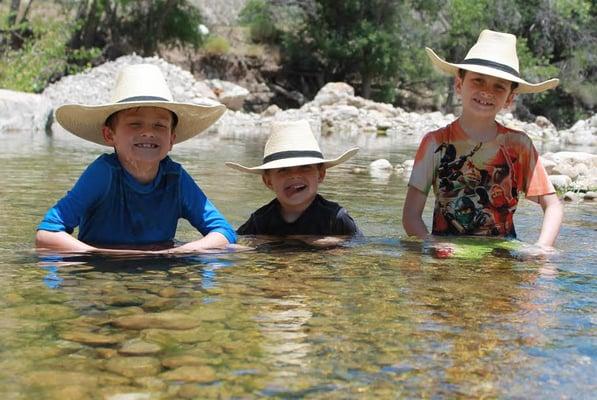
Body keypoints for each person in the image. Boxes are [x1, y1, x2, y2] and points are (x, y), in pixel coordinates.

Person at [36, 63, 236, 254]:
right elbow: (47, 234)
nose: (148, 133)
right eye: (135, 124)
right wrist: (100, 254)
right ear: (109, 135)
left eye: (159, 126)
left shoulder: (176, 179)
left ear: (171, 139)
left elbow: (224, 232)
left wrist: (177, 252)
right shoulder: (104, 174)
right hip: (101, 272)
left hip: (158, 270)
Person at [402, 29, 563, 256]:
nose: (487, 91)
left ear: (509, 98)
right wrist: (430, 243)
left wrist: (542, 248)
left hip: (502, 256)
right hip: (447, 254)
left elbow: (553, 206)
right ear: (459, 85)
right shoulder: (435, 143)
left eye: (499, 86)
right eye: (478, 80)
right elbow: (410, 215)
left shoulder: (519, 146)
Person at [226, 119, 362, 245]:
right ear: (268, 181)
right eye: (283, 169)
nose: (294, 175)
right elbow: (237, 242)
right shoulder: (259, 220)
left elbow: (359, 245)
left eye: (305, 167)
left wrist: (334, 242)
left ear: (320, 175)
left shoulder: (336, 218)